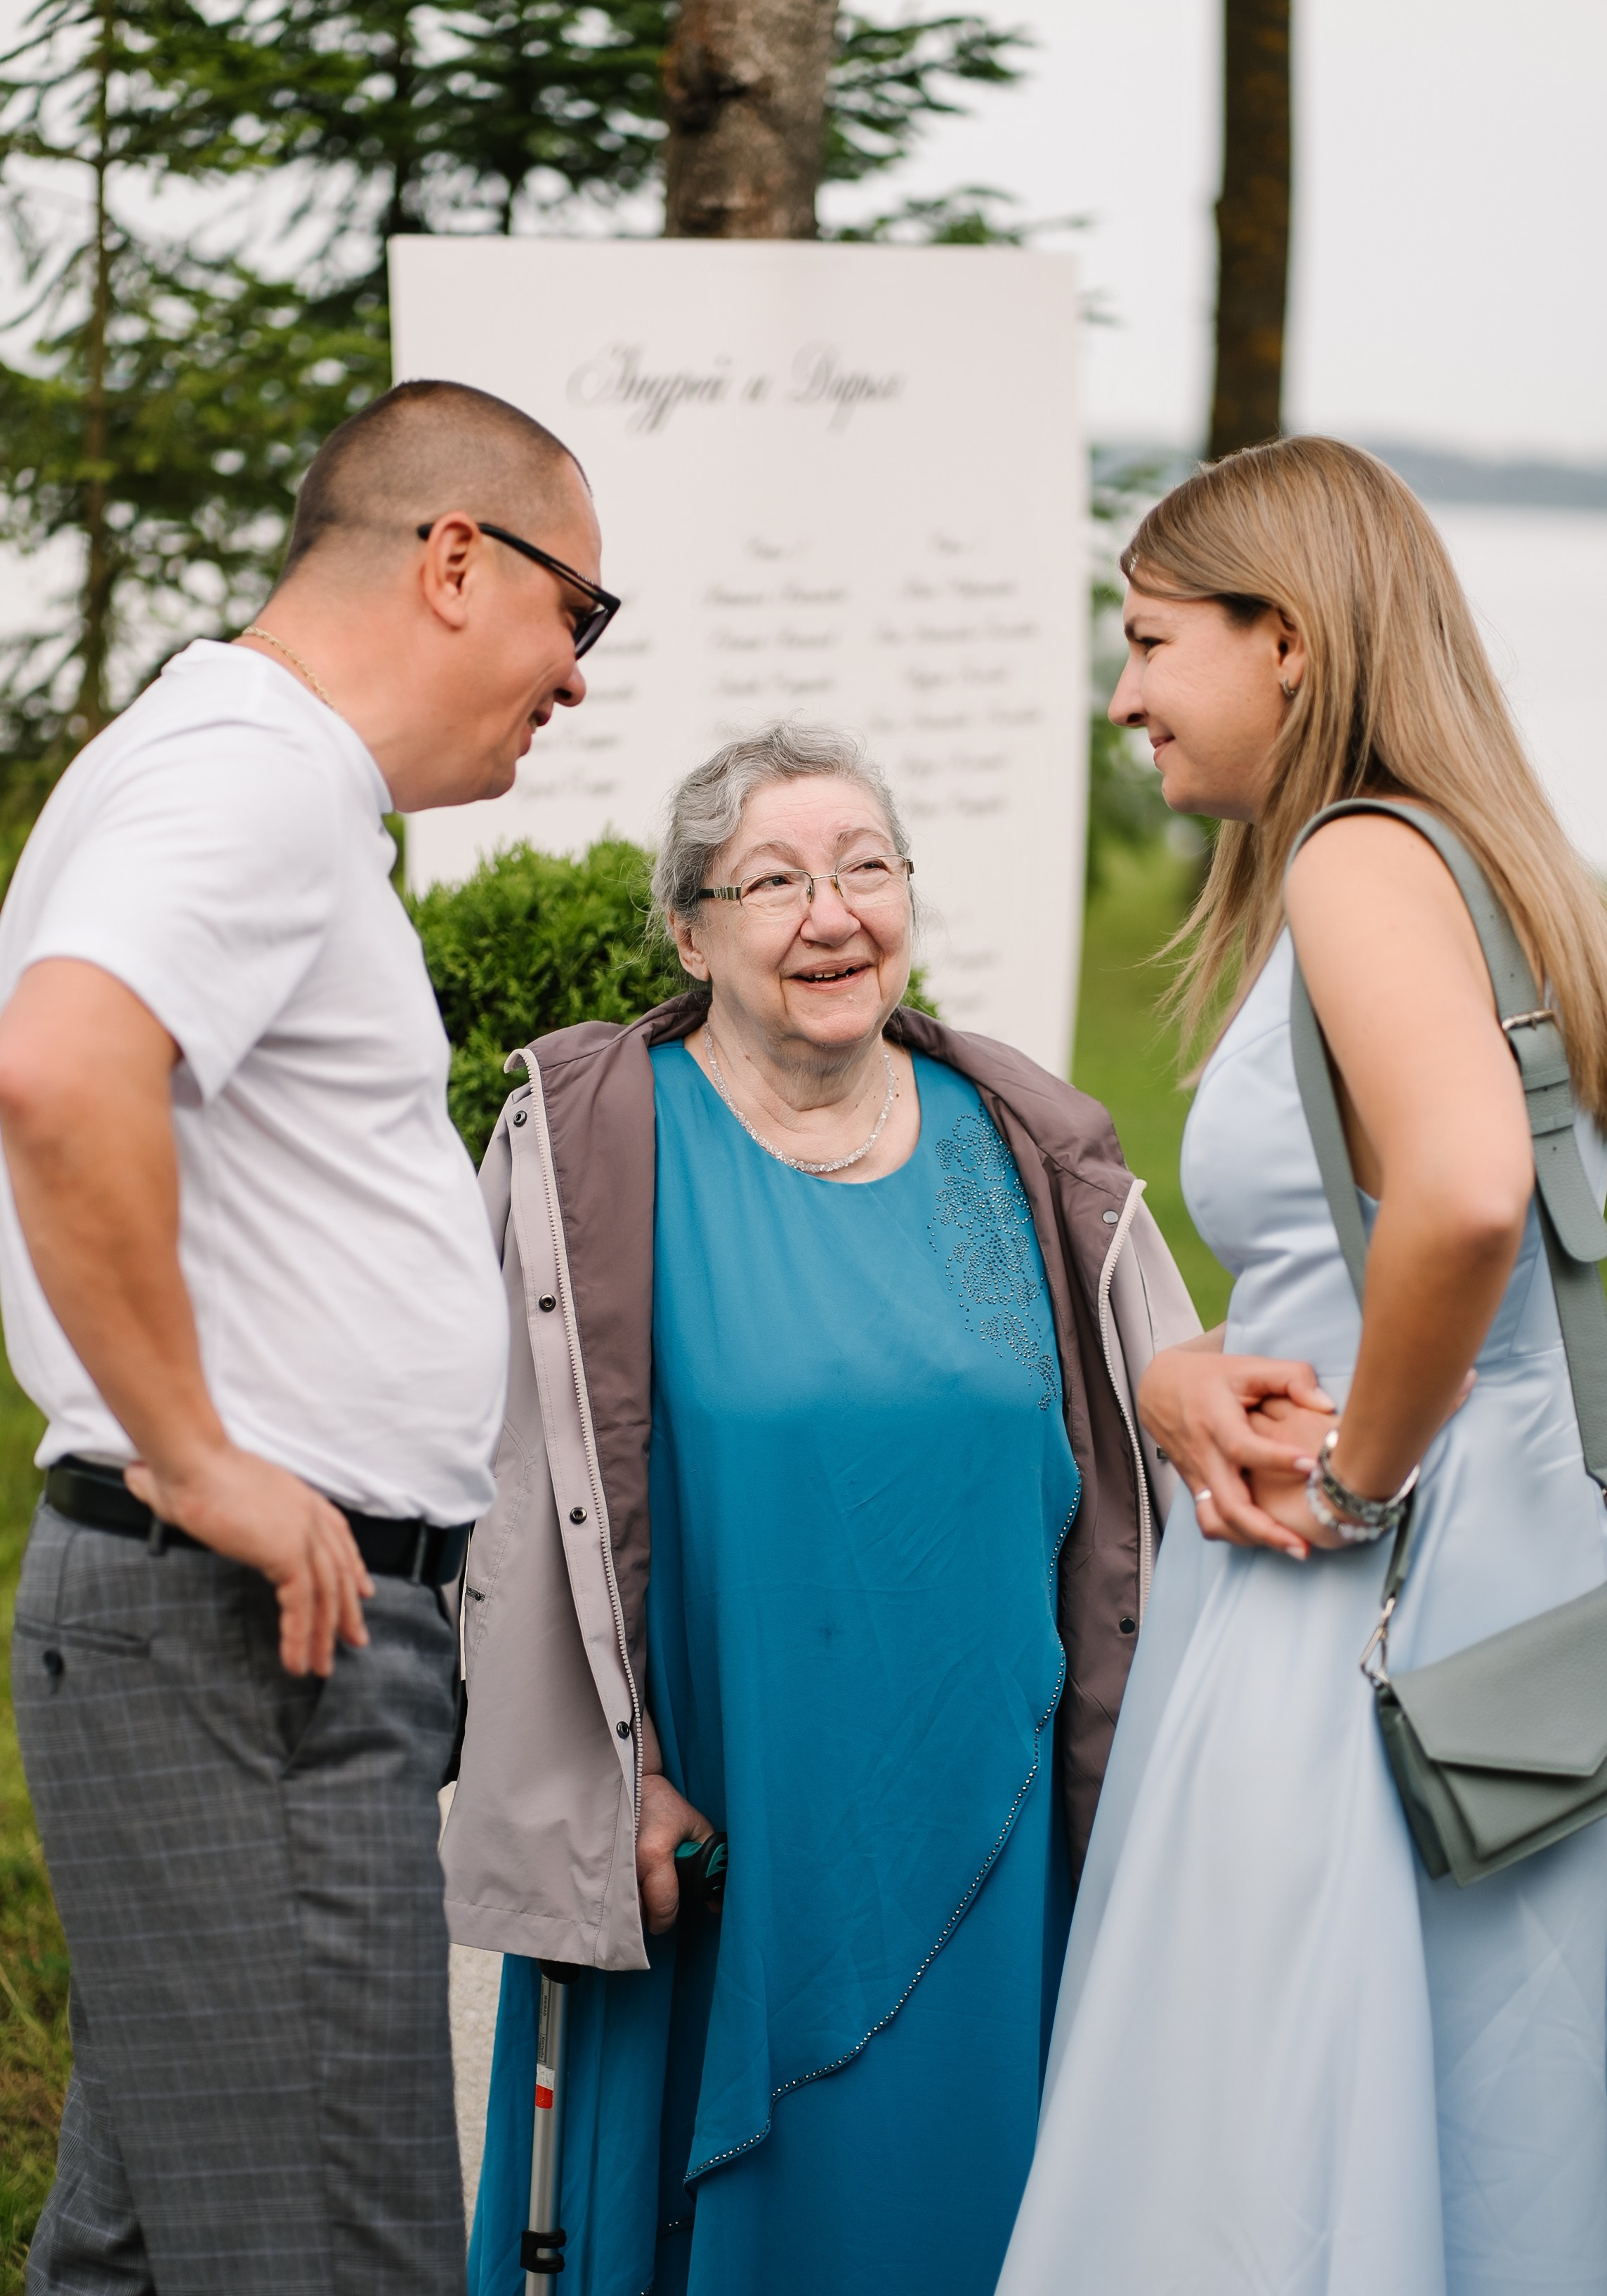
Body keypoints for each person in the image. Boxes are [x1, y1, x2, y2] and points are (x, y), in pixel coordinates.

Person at [440, 723, 1199, 2296]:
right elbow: (506, 1508)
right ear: (689, 928)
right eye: (773, 880)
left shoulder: (1026, 1146)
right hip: (718, 1831)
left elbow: (1148, 1481)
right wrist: (612, 1777)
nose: (830, 913)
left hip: (995, 1830)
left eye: (866, 868)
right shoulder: (597, 1143)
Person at [0, 376, 619, 2295]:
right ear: (455, 559)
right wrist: (198, 1455)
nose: (577, 676)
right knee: (336, 2260)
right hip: (244, 1627)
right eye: (575, 614)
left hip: (236, 1627)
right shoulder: (251, 772)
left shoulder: (245, 768)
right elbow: (58, 1064)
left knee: (143, 2249)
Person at [999, 437, 1607, 2296]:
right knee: (1482, 2084)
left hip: (1368, 1576)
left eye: (1151, 636)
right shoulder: (1511, 863)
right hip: (1524, 1571)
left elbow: (1468, 1193)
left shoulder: (1358, 853)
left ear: (1288, 642)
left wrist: (1356, 1475)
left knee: (1262, 2097)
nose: (1125, 694)